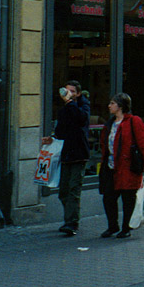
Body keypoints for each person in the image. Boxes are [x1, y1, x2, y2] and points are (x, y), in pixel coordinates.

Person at [99, 93, 144, 239]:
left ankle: (126, 228)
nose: (109, 106)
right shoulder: (110, 123)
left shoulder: (134, 121)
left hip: (128, 167)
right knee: (108, 197)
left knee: (127, 198)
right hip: (111, 166)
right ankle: (112, 226)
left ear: (120, 106)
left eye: (112, 103)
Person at [42, 80, 91, 236]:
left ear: (77, 93)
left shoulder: (83, 106)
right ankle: (70, 219)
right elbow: (60, 132)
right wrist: (51, 138)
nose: (68, 94)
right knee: (64, 190)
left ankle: (71, 223)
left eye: (71, 91)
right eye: (66, 91)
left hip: (79, 153)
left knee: (74, 189)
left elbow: (81, 118)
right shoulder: (64, 109)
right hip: (66, 153)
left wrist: (70, 102)